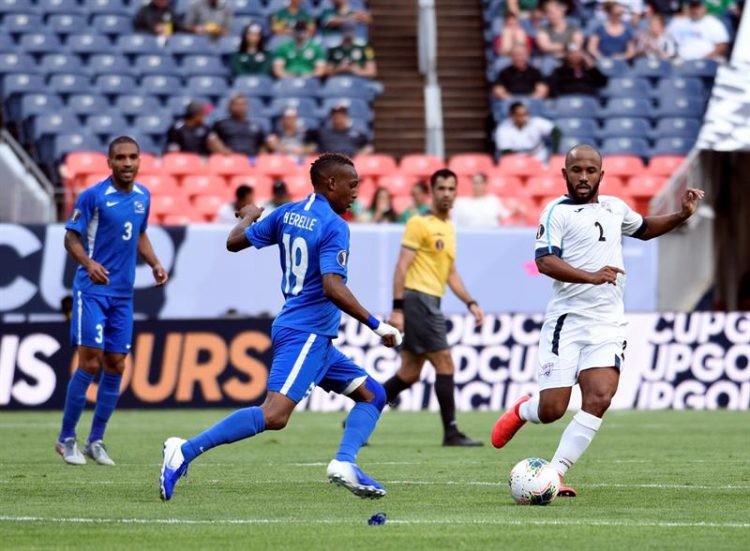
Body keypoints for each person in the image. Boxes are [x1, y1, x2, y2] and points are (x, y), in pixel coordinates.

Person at [159, 153, 403, 501]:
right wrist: (378, 326)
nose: (356, 193)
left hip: (313, 336)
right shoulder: (335, 226)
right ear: (331, 183)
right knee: (274, 415)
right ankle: (184, 450)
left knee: (373, 395)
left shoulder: (287, 213)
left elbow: (234, 242)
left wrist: (246, 217)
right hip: (306, 333)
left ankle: (345, 463)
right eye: (352, 185)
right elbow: (333, 287)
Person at [491, 144, 704, 495]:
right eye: (577, 170)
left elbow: (646, 227)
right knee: (552, 410)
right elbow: (545, 261)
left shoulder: (614, 208)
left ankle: (556, 474)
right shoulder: (555, 212)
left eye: (591, 170)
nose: (584, 177)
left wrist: (681, 215)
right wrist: (591, 276)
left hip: (607, 323)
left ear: (601, 175)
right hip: (567, 321)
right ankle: (524, 409)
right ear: (565, 174)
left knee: (600, 397)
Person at [56, 136, 169, 466]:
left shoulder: (142, 197)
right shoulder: (93, 196)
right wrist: (88, 264)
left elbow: (140, 233)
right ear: (109, 162)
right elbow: (70, 237)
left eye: (133, 157)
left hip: (123, 294)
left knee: (117, 364)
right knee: (90, 362)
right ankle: (65, 438)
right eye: (120, 158)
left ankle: (96, 440)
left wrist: (155, 262)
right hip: (91, 291)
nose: (128, 163)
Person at [382, 169, 485, 447]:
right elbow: (401, 266)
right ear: (432, 191)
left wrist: (471, 302)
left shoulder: (449, 227)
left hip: (429, 301)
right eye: (441, 188)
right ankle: (451, 432)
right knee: (445, 362)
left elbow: (451, 273)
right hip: (418, 300)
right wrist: (398, 309)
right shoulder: (419, 223)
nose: (447, 194)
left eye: (452, 188)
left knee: (410, 373)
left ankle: (361, 412)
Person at [305, 103, 372, 158]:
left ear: (346, 117)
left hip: (351, 164)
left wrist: (361, 155)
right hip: (328, 165)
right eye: (335, 117)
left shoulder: (357, 133)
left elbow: (367, 147)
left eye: (341, 117)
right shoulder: (322, 133)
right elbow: (308, 144)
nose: (338, 120)